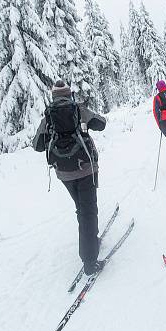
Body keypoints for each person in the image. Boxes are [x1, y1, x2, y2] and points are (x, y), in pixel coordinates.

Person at [33, 80, 107, 275]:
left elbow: (37, 145)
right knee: (88, 212)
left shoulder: (48, 116)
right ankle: (90, 262)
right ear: (69, 94)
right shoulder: (77, 109)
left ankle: (91, 241)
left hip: (63, 172)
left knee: (81, 209)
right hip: (86, 168)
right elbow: (101, 124)